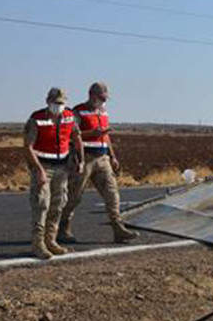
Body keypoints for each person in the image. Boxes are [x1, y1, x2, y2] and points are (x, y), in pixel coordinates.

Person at [58, 82, 139, 244]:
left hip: (102, 159)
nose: (103, 101)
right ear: (92, 95)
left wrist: (113, 156)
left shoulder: (103, 113)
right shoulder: (78, 112)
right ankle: (62, 228)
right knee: (74, 195)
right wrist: (91, 133)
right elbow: (71, 134)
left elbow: (106, 137)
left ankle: (118, 228)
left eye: (105, 99)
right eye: (101, 98)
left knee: (112, 194)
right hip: (83, 158)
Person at [24, 87, 84, 259]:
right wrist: (39, 170)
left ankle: (51, 240)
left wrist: (80, 160)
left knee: (58, 204)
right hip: (43, 167)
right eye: (55, 103)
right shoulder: (37, 119)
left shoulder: (69, 118)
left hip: (62, 167)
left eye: (61, 103)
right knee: (41, 204)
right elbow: (28, 147)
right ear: (48, 101)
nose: (58, 106)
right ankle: (38, 244)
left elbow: (77, 138)